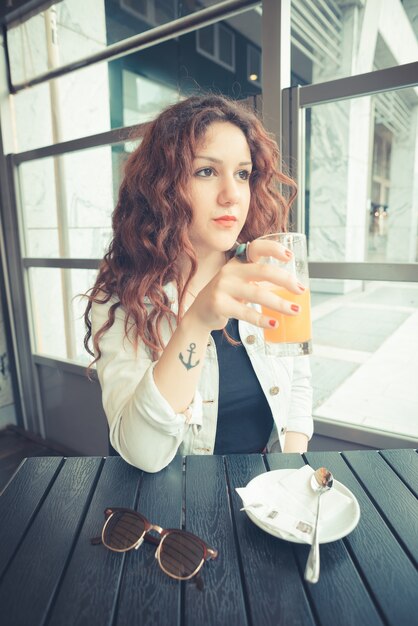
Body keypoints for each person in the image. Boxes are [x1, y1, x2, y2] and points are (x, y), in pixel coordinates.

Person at [84, 94, 313, 473]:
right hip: (167, 509)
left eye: (243, 174)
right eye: (206, 171)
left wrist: (287, 477)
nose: (232, 194)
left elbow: (298, 384)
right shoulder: (123, 294)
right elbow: (142, 452)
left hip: (260, 501)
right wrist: (197, 320)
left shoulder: (264, 271)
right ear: (163, 186)